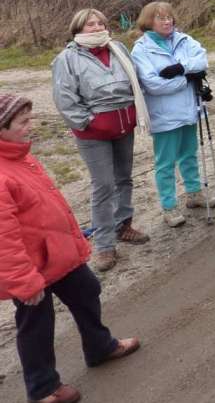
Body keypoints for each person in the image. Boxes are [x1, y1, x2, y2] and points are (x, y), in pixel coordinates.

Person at [1, 95, 141, 403]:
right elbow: (3, 240)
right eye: (23, 122)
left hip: (57, 254)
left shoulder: (21, 157)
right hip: (31, 268)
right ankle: (42, 389)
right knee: (36, 324)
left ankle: (100, 347)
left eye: (29, 119)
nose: (30, 126)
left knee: (87, 290)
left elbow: (51, 205)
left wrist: (74, 242)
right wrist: (24, 281)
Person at [51, 8, 150, 272]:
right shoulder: (67, 59)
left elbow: (135, 81)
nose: (97, 28)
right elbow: (65, 99)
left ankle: (123, 226)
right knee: (104, 186)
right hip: (93, 134)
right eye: (90, 24)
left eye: (100, 23)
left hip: (123, 127)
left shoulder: (118, 48)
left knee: (124, 178)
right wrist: (89, 122)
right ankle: (105, 245)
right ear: (78, 29)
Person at [130, 1, 215, 228]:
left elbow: (202, 61)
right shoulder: (141, 49)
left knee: (189, 154)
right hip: (164, 115)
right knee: (165, 163)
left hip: (189, 109)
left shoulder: (184, 39)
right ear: (149, 21)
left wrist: (180, 68)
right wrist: (186, 78)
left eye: (169, 17)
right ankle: (169, 206)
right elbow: (153, 84)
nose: (167, 21)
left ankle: (194, 193)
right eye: (161, 18)